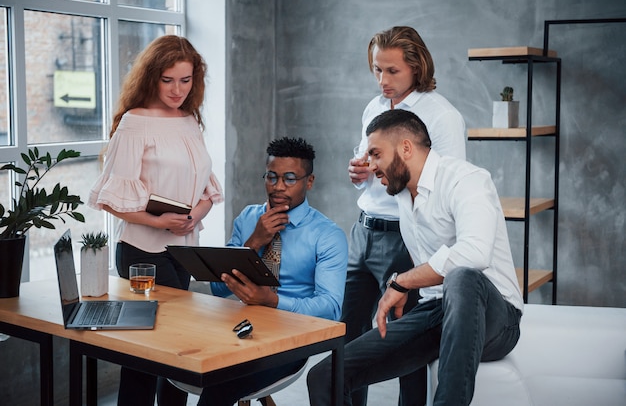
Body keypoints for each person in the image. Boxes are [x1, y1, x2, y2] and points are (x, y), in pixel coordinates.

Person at [308, 109, 523, 406]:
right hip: (437, 313)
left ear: (406, 148)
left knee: (462, 276)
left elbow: (474, 253)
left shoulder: (467, 179)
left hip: (496, 320)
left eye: (375, 154)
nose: (370, 165)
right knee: (325, 376)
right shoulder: (402, 197)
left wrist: (401, 282)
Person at [88, 34, 224, 406]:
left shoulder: (189, 120)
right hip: (142, 252)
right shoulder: (136, 123)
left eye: (186, 80)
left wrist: (196, 213)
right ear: (151, 77)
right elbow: (110, 201)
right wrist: (162, 223)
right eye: (168, 80)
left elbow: (206, 190)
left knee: (161, 355)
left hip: (183, 252)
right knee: (156, 354)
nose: (178, 89)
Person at [343, 26, 466, 406]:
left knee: (406, 346)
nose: (383, 80)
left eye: (392, 71)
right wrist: (359, 176)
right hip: (362, 232)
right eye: (377, 70)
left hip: (406, 239)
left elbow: (449, 185)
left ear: (416, 66)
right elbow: (367, 172)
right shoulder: (374, 107)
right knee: (347, 336)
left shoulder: (442, 116)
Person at [197, 136, 348, 406]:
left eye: (290, 179)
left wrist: (272, 301)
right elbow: (217, 288)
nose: (278, 187)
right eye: (271, 177)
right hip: (238, 330)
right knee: (176, 364)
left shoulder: (327, 235)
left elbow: (331, 308)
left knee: (219, 386)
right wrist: (253, 242)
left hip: (289, 340)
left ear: (309, 182)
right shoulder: (247, 218)